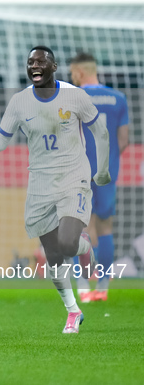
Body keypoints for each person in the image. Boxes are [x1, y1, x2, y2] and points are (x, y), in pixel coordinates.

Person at [0, 46, 110, 333]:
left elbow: (101, 131)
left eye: (40, 61)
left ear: (53, 66)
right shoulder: (20, 102)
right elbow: (2, 140)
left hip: (73, 177)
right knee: (52, 254)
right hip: (40, 183)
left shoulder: (75, 96)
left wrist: (102, 171)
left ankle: (85, 245)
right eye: (30, 61)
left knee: (68, 244)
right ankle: (72, 311)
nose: (35, 65)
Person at [69, 52, 129, 302]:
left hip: (78, 171)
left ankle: (83, 288)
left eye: (72, 73)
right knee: (105, 228)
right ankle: (103, 287)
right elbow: (123, 141)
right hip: (106, 172)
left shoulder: (72, 97)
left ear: (80, 72)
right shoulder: (118, 98)